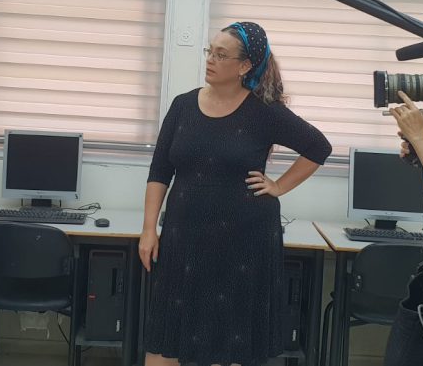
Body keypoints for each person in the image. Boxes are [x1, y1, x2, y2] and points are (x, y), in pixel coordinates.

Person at [140, 22, 332, 366]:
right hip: (185, 238)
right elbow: (160, 170)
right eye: (210, 51)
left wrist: (279, 186)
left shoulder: (264, 111)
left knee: (226, 344)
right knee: (166, 340)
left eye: (221, 54)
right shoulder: (183, 106)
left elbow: (318, 147)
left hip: (243, 241)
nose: (210, 59)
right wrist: (148, 229)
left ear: (244, 66)